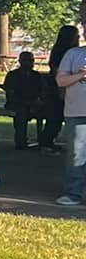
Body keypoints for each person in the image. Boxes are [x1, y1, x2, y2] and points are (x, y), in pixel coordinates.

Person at [56, 12, 86, 207]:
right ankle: (73, 193)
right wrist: (80, 75)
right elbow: (60, 80)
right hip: (77, 112)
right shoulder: (73, 54)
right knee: (76, 154)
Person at [3, 49, 51, 152]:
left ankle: (45, 140)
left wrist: (39, 101)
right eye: (26, 60)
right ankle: (21, 141)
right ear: (20, 61)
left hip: (35, 103)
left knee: (52, 112)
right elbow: (10, 93)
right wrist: (25, 103)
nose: (29, 63)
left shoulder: (36, 76)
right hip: (17, 103)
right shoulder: (12, 75)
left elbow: (43, 91)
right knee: (21, 113)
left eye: (31, 60)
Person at [42, 26, 76, 154]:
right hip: (58, 87)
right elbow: (57, 71)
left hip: (60, 86)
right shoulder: (64, 52)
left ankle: (49, 141)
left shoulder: (59, 51)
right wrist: (61, 88)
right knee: (55, 115)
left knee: (56, 116)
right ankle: (46, 142)